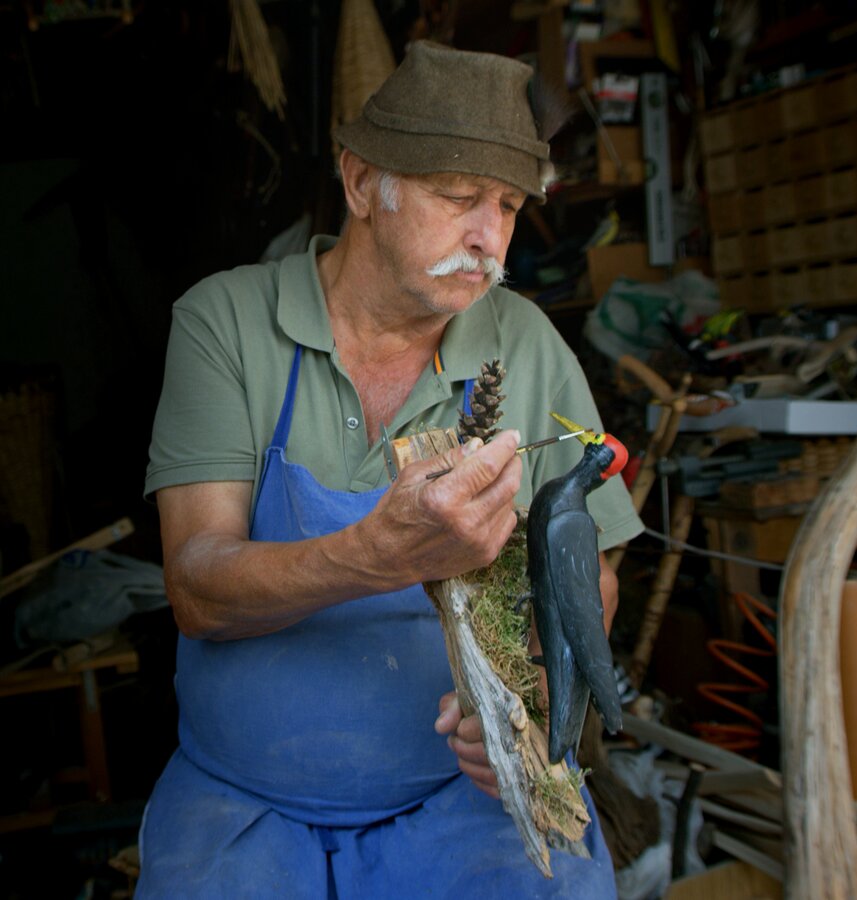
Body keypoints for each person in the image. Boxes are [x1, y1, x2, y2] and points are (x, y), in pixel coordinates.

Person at [137, 40, 643, 899]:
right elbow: (197, 590)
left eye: (509, 207)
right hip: (248, 807)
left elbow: (591, 574)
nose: (489, 238)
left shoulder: (523, 342)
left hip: (458, 801)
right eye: (460, 200)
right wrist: (380, 553)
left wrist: (521, 702)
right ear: (363, 183)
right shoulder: (225, 322)